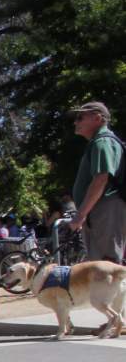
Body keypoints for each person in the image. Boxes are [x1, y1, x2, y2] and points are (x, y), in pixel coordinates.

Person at [68, 101, 125, 264]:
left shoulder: (102, 142)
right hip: (101, 211)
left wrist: (80, 215)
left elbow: (101, 178)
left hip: (106, 210)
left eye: (80, 117)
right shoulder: (99, 142)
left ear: (97, 118)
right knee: (99, 266)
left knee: (107, 266)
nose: (75, 122)